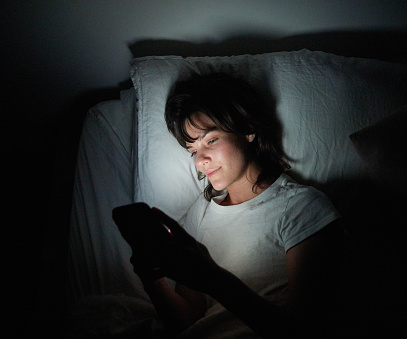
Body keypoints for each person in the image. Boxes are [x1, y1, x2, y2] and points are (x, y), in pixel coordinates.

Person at [128, 72, 346, 338]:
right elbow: (188, 319)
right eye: (193, 150)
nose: (200, 160)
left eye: (211, 140)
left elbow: (308, 329)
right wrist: (152, 278)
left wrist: (214, 280)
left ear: (247, 129)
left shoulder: (302, 207)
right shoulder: (201, 212)